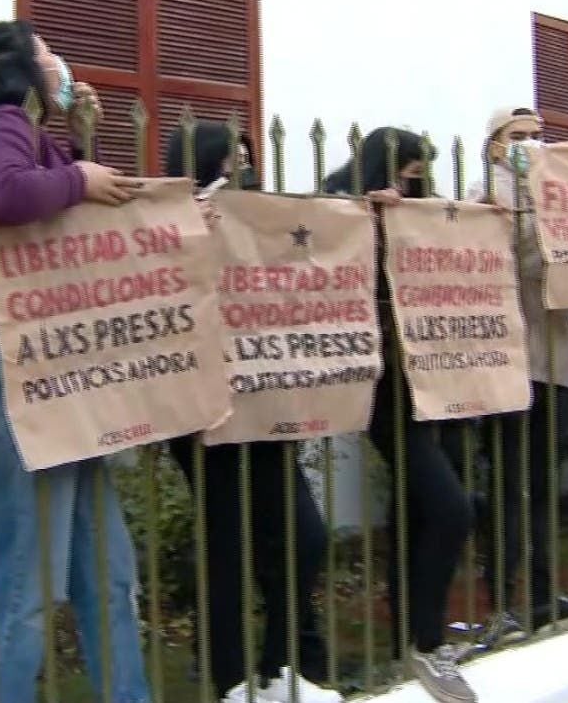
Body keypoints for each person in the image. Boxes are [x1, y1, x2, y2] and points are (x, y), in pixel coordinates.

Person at [0, 20, 151, 703]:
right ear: (21, 69)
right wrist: (81, 174)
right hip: (13, 371)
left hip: (53, 370)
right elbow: (5, 195)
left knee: (105, 569)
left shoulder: (24, 135)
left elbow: (58, 216)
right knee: (25, 580)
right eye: (51, 53)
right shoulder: (3, 121)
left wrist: (80, 147)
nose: (63, 61)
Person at [164, 121, 339, 703]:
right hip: (204, 407)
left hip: (264, 398)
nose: (240, 168)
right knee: (227, 542)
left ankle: (282, 664)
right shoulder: (171, 218)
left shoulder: (260, 215)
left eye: (246, 158)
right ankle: (230, 678)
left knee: (303, 535)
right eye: (228, 160)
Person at [323, 128, 478, 703]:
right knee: (451, 510)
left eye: (420, 173)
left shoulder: (418, 206)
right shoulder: (341, 200)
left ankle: (409, 640)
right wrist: (365, 217)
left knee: (417, 514)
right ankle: (428, 640)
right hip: (385, 388)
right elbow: (319, 260)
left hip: (436, 379)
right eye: (408, 170)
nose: (415, 180)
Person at [462, 107, 568, 638]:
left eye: (539, 137)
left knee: (541, 486)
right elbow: (486, 266)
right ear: (495, 145)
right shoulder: (483, 195)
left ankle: (542, 597)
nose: (532, 145)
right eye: (519, 137)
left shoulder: (562, 191)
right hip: (508, 359)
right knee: (508, 485)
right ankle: (503, 599)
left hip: (557, 356)